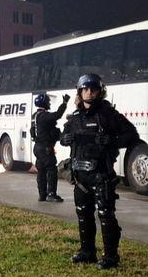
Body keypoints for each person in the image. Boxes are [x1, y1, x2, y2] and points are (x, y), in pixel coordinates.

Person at [60, 74, 139, 270]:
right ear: (79, 92)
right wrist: (65, 138)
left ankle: (111, 256)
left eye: (93, 89)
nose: (89, 92)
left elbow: (131, 134)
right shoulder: (75, 117)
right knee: (83, 213)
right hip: (79, 176)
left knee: (105, 214)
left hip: (101, 174)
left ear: (99, 91)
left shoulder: (107, 115)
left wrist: (112, 142)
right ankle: (87, 252)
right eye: (85, 89)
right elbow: (62, 136)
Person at [31, 92, 70, 202]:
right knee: (52, 170)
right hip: (45, 148)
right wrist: (64, 103)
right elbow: (57, 115)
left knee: (41, 171)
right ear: (45, 103)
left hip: (37, 147)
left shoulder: (34, 116)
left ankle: (42, 195)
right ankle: (51, 194)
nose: (49, 104)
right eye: (48, 102)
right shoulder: (44, 116)